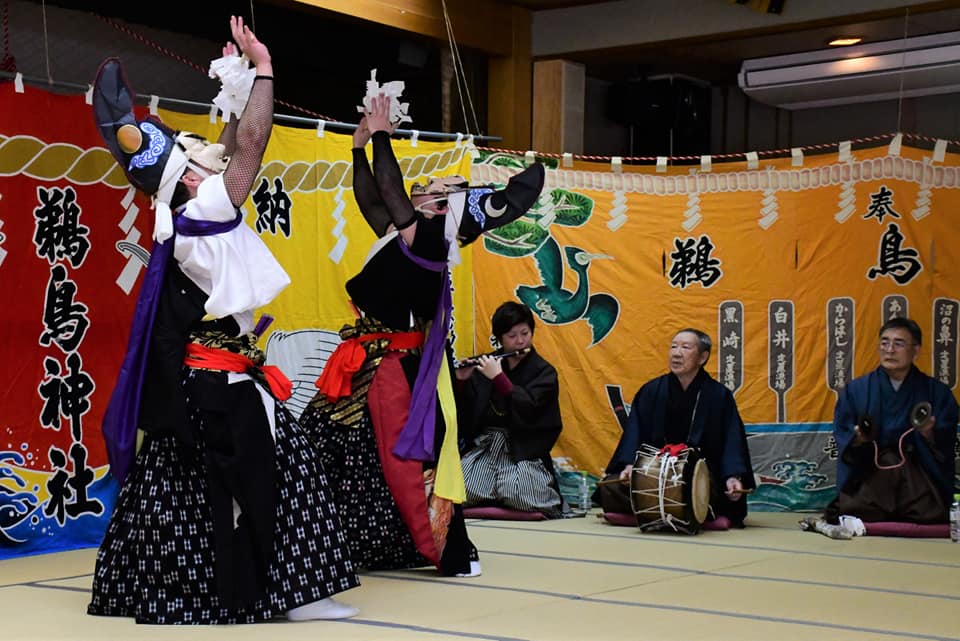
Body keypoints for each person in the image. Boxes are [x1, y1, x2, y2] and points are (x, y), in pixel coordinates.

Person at [86, 17, 359, 623]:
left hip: (209, 378)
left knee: (187, 492)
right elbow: (251, 151)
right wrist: (263, 69)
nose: (209, 154)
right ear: (187, 178)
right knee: (275, 479)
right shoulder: (199, 214)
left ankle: (181, 587)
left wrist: (235, 87)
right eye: (195, 155)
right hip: (217, 382)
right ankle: (281, 594)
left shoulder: (186, 216)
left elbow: (234, 144)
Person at [299, 94, 545, 576]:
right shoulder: (405, 234)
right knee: (332, 448)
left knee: (408, 466)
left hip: (396, 369)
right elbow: (373, 198)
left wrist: (384, 137)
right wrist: (357, 148)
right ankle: (341, 542)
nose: (426, 187)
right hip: (366, 360)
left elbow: (389, 192)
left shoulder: (433, 241)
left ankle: (442, 548)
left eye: (439, 188)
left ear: (447, 208)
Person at [804, 318, 959, 538]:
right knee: (855, 506)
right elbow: (844, 432)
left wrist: (929, 433)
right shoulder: (856, 390)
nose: (890, 350)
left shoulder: (937, 392)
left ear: (916, 350)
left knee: (931, 510)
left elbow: (945, 437)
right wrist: (857, 439)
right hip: (872, 472)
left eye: (898, 344)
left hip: (916, 474)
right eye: (884, 343)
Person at [599, 328, 755, 529]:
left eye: (686, 347)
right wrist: (629, 465)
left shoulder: (718, 395)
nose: (676, 353)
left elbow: (732, 440)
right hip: (653, 475)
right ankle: (694, 517)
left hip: (699, 477)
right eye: (673, 346)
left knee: (714, 493)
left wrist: (733, 476)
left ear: (702, 357)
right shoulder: (651, 390)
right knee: (610, 487)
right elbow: (634, 433)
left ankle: (645, 514)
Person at [455, 301, 566, 518]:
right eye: (512, 336)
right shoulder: (487, 364)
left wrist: (500, 379)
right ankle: (491, 496)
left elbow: (532, 409)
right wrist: (461, 381)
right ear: (500, 338)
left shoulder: (544, 372)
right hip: (486, 446)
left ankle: (498, 497)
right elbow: (467, 413)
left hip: (522, 448)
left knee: (518, 491)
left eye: (525, 333)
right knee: (461, 488)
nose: (520, 341)